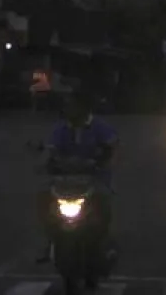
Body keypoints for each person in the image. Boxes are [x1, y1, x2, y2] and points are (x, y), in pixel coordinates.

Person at [36, 95, 119, 261]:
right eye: (68, 108)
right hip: (65, 180)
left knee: (102, 204)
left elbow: (112, 145)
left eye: (74, 108)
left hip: (95, 179)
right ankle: (51, 241)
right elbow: (51, 149)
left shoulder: (100, 127)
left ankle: (103, 243)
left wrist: (102, 158)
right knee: (43, 198)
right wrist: (46, 161)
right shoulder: (61, 129)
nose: (70, 112)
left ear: (85, 109)